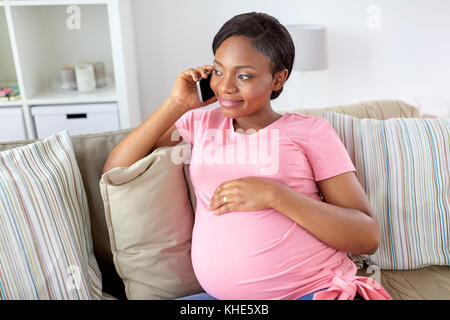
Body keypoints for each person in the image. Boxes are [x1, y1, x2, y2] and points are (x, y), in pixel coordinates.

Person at [103, 12, 392, 300]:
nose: (226, 87)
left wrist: (276, 195)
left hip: (314, 292)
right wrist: (177, 104)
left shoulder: (310, 132)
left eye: (243, 76)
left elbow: (366, 236)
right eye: (218, 71)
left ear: (278, 79)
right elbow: (117, 169)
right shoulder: (202, 125)